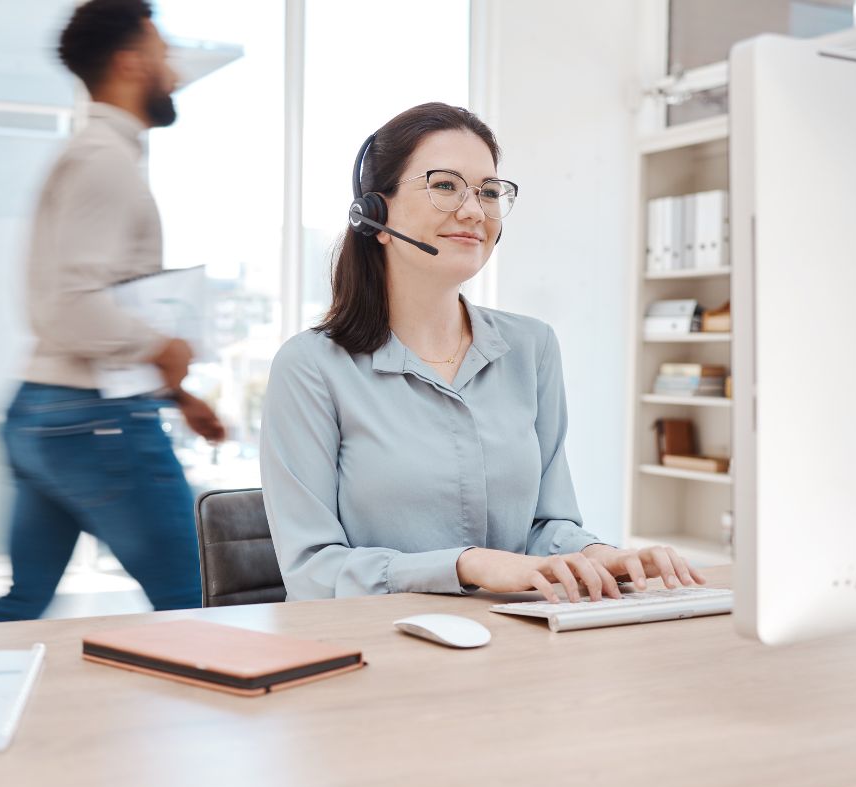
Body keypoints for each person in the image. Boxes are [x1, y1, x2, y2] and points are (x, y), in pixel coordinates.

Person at [260, 102, 705, 602]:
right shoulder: (311, 367)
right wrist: (467, 567)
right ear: (375, 215)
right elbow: (312, 571)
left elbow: (545, 525)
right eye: (445, 185)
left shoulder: (531, 348)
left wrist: (602, 555)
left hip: (517, 645)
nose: (474, 211)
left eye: (489, 192)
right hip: (381, 654)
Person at [0, 0, 223, 624]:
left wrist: (177, 394)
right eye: (164, 55)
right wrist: (164, 348)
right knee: (199, 600)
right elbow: (69, 306)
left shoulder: (95, 155)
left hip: (48, 410)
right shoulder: (104, 162)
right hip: (93, 422)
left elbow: (91, 309)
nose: (174, 71)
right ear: (132, 62)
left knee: (24, 602)